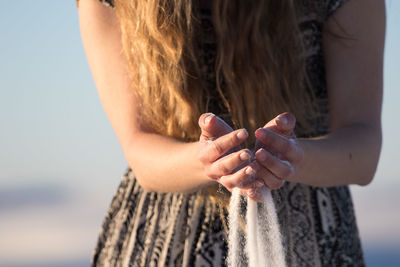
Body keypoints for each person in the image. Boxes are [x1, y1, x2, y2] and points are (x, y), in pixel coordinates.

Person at [77, 0, 385, 265]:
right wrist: (205, 162)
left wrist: (295, 158)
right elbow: (138, 147)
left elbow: (363, 150)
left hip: (310, 242)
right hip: (163, 240)